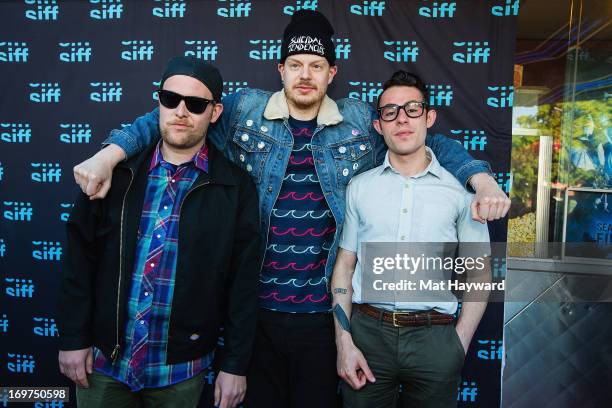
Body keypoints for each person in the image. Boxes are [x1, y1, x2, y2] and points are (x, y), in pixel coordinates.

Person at [70, 11, 509, 408]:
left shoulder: (360, 121)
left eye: (316, 66)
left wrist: (481, 178)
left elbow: (421, 138)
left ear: (331, 73)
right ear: (280, 69)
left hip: (322, 317)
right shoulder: (244, 111)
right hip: (254, 312)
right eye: (295, 64)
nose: (305, 75)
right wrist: (109, 154)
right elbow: (171, 117)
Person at [57, 57, 261, 408]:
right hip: (104, 363)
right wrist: (73, 337)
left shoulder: (235, 187)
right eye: (171, 99)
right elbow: (79, 261)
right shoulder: (115, 173)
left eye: (196, 104)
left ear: (214, 113)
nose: (181, 111)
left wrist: (235, 364)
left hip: (180, 371)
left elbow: (242, 284)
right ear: (158, 103)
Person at [331, 71, 491, 408]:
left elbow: (479, 274)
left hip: (436, 339)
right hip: (368, 335)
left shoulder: (461, 193)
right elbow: (345, 266)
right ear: (379, 125)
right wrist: (344, 341)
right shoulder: (360, 187)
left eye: (412, 109)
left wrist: (458, 344)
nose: (401, 119)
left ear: (429, 117)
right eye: (390, 112)